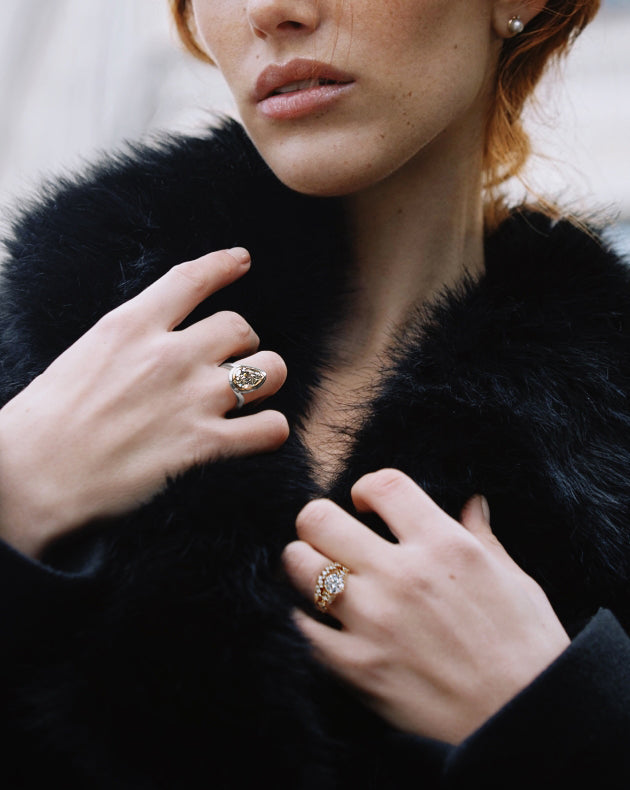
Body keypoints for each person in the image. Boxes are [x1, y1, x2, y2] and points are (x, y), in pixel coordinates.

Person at [1, 0, 630, 786]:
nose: (271, 11)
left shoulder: (607, 444)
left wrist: (561, 725)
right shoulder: (50, 346)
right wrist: (14, 495)